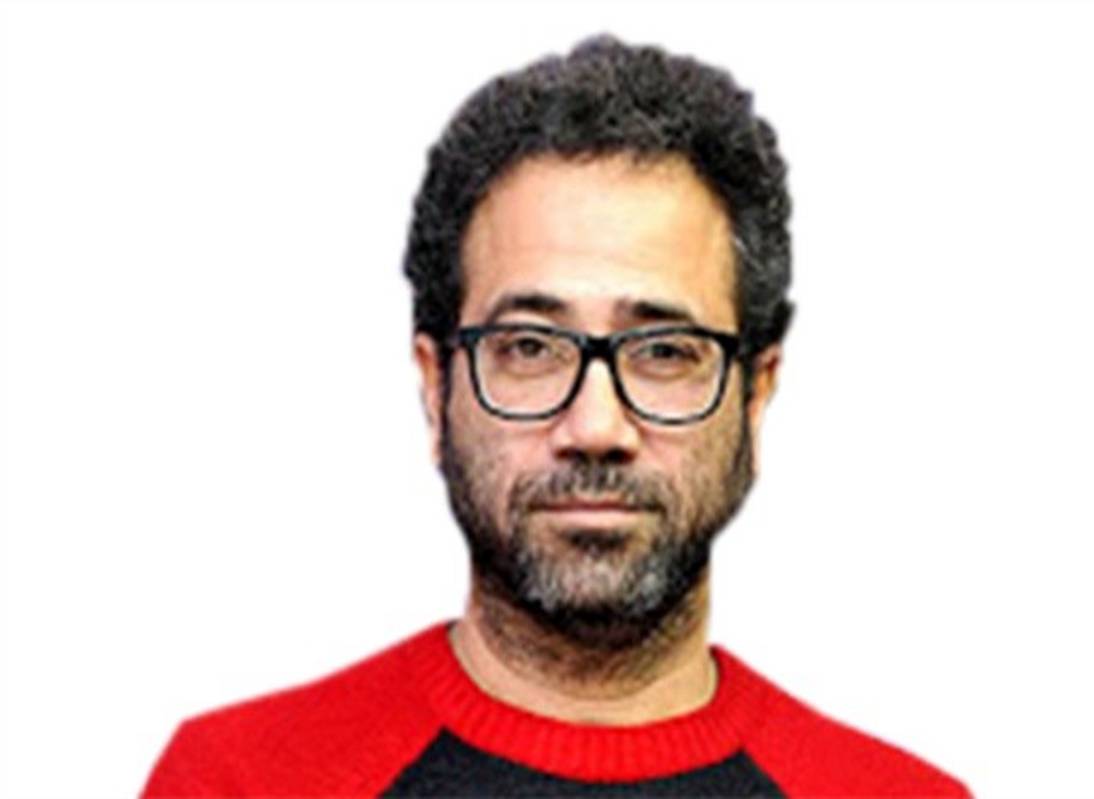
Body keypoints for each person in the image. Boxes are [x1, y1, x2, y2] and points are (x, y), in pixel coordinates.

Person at [143, 35, 969, 797]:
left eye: (665, 350)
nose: (596, 427)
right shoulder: (241, 781)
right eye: (531, 347)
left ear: (756, 396)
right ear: (435, 389)